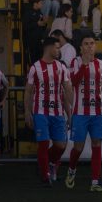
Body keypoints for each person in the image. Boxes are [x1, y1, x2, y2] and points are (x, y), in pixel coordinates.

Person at [25, 37, 73, 186]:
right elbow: (28, 91)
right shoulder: (35, 68)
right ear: (49, 48)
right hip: (40, 112)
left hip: (58, 112)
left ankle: (50, 163)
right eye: (57, 47)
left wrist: (71, 112)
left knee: (61, 145)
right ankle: (45, 175)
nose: (59, 50)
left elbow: (67, 90)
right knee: (44, 143)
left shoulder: (61, 67)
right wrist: (27, 112)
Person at [65, 36, 102, 192]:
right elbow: (74, 82)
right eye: (86, 44)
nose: (89, 46)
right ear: (81, 48)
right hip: (80, 112)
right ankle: (71, 169)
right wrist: (84, 64)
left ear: (95, 46)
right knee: (78, 147)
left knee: (97, 144)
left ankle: (95, 182)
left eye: (92, 44)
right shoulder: (75, 62)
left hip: (98, 112)